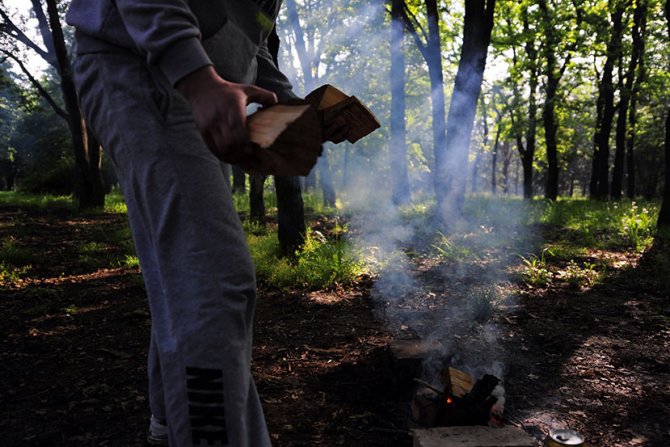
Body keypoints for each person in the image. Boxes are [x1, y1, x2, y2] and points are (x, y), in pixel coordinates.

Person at [66, 1, 341, 446]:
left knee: (189, 270)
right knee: (211, 280)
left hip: (200, 83)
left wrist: (290, 105)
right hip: (143, 72)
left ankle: (173, 426)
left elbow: (245, 34)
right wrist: (196, 76)